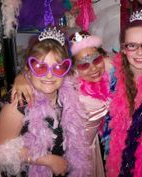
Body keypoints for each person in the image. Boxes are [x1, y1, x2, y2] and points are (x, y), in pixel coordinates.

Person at [10, 30, 113, 177]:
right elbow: (44, 71)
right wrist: (21, 78)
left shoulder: (108, 71)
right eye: (83, 64)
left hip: (93, 148)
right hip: (70, 152)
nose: (93, 67)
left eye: (96, 60)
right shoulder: (71, 83)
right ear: (73, 69)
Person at [0, 27, 77, 177]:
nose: (49, 75)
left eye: (58, 67)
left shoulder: (68, 93)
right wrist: (47, 160)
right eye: (40, 67)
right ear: (28, 69)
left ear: (66, 71)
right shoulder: (18, 102)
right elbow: (0, 151)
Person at [105, 9, 142, 177]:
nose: (139, 52)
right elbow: (71, 70)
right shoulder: (112, 73)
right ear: (123, 48)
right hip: (117, 162)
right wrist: (23, 78)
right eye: (132, 45)